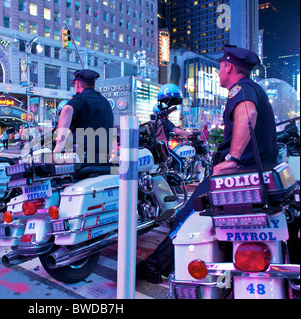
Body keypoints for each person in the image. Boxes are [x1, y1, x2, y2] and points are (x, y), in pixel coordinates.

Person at [137, 44, 278, 283]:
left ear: (229, 66)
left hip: (237, 175)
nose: (219, 72)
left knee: (186, 216)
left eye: (221, 66)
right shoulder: (253, 88)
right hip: (255, 174)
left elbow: (247, 115)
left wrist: (232, 158)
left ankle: (155, 267)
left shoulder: (240, 90)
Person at [53, 69, 114, 164]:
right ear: (93, 84)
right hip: (103, 160)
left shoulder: (79, 99)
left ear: (77, 84)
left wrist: (58, 148)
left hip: (82, 160)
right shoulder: (105, 102)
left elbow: (67, 109)